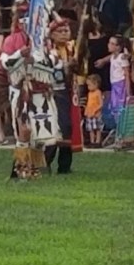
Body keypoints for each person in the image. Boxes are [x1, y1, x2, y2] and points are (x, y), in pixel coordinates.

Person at [0, 6, 59, 181]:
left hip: (41, 92)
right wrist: (20, 54)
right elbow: (5, 62)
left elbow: (54, 61)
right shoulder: (12, 40)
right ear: (20, 23)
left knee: (39, 133)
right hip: (20, 91)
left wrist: (40, 58)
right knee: (24, 130)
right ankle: (19, 170)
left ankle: (34, 169)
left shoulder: (44, 42)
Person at [44, 15, 81, 174]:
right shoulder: (46, 49)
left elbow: (81, 68)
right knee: (55, 127)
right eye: (60, 31)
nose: (64, 34)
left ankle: (65, 166)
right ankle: (45, 162)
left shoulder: (72, 48)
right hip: (51, 92)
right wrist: (66, 66)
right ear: (51, 34)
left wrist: (77, 62)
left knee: (68, 127)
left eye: (66, 30)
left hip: (69, 92)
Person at [106, 35, 131, 148]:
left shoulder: (122, 58)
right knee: (115, 110)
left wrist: (128, 91)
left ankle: (121, 136)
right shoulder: (112, 57)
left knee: (121, 110)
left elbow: (126, 74)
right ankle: (118, 135)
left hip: (121, 86)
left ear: (118, 47)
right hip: (114, 85)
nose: (109, 45)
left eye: (112, 44)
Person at [84, 74, 104, 148]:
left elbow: (101, 104)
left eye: (89, 85)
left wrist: (95, 110)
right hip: (89, 114)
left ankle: (97, 141)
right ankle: (92, 141)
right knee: (90, 129)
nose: (88, 87)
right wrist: (86, 111)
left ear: (95, 84)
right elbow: (88, 103)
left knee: (97, 128)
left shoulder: (98, 92)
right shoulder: (89, 93)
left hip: (96, 114)